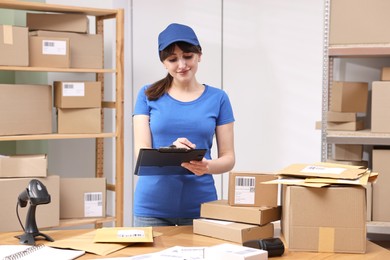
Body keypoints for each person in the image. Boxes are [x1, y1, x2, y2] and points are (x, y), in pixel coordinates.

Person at [132, 23, 235, 227]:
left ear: (199, 55)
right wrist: (170, 151)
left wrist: (207, 166)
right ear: (163, 62)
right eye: (173, 59)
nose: (182, 65)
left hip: (201, 206)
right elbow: (141, 155)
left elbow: (229, 158)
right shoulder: (147, 95)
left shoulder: (219, 98)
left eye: (187, 56)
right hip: (152, 208)